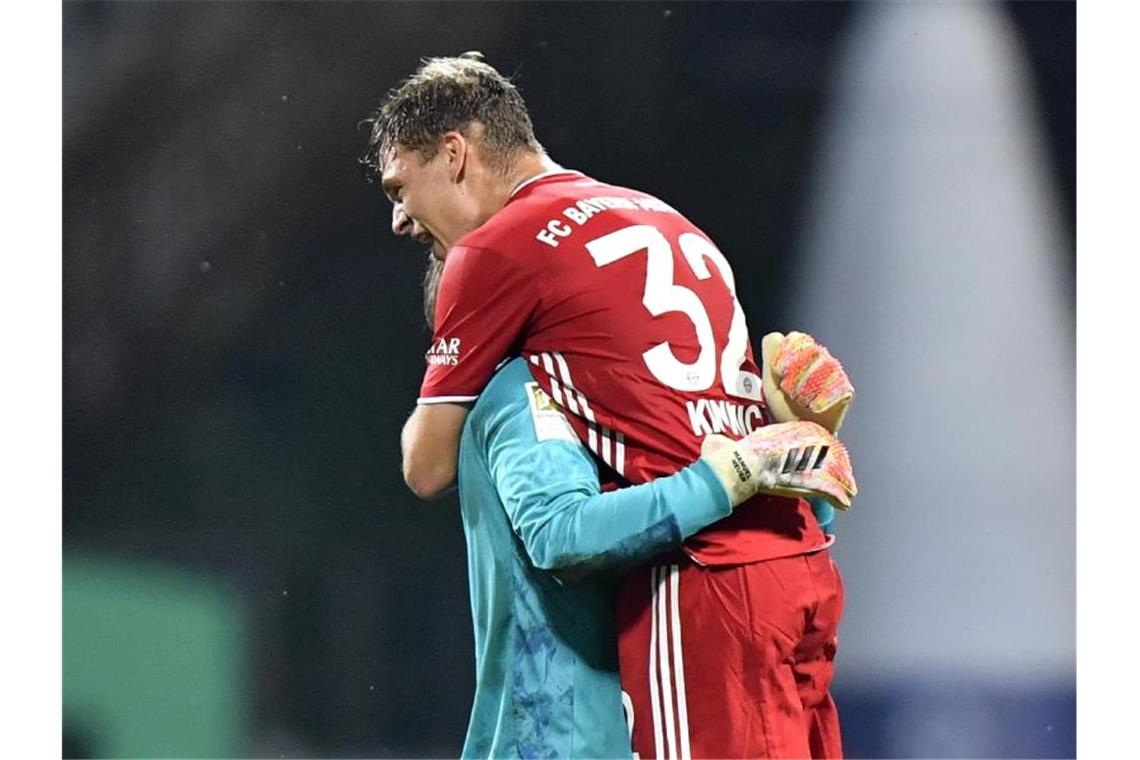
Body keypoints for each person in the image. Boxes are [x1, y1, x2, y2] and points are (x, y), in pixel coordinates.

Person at [361, 52, 855, 758]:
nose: (400, 220)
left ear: (454, 153)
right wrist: (799, 434)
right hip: (799, 562)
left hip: (699, 584)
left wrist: (735, 471)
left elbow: (429, 467)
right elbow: (727, 441)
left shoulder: (499, 260)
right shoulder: (671, 224)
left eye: (399, 188)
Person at [452, 357, 850, 757]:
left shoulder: (654, 373)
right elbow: (558, 535)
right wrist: (729, 476)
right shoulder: (529, 389)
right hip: (567, 740)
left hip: (669, 715)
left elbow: (745, 541)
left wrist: (795, 461)